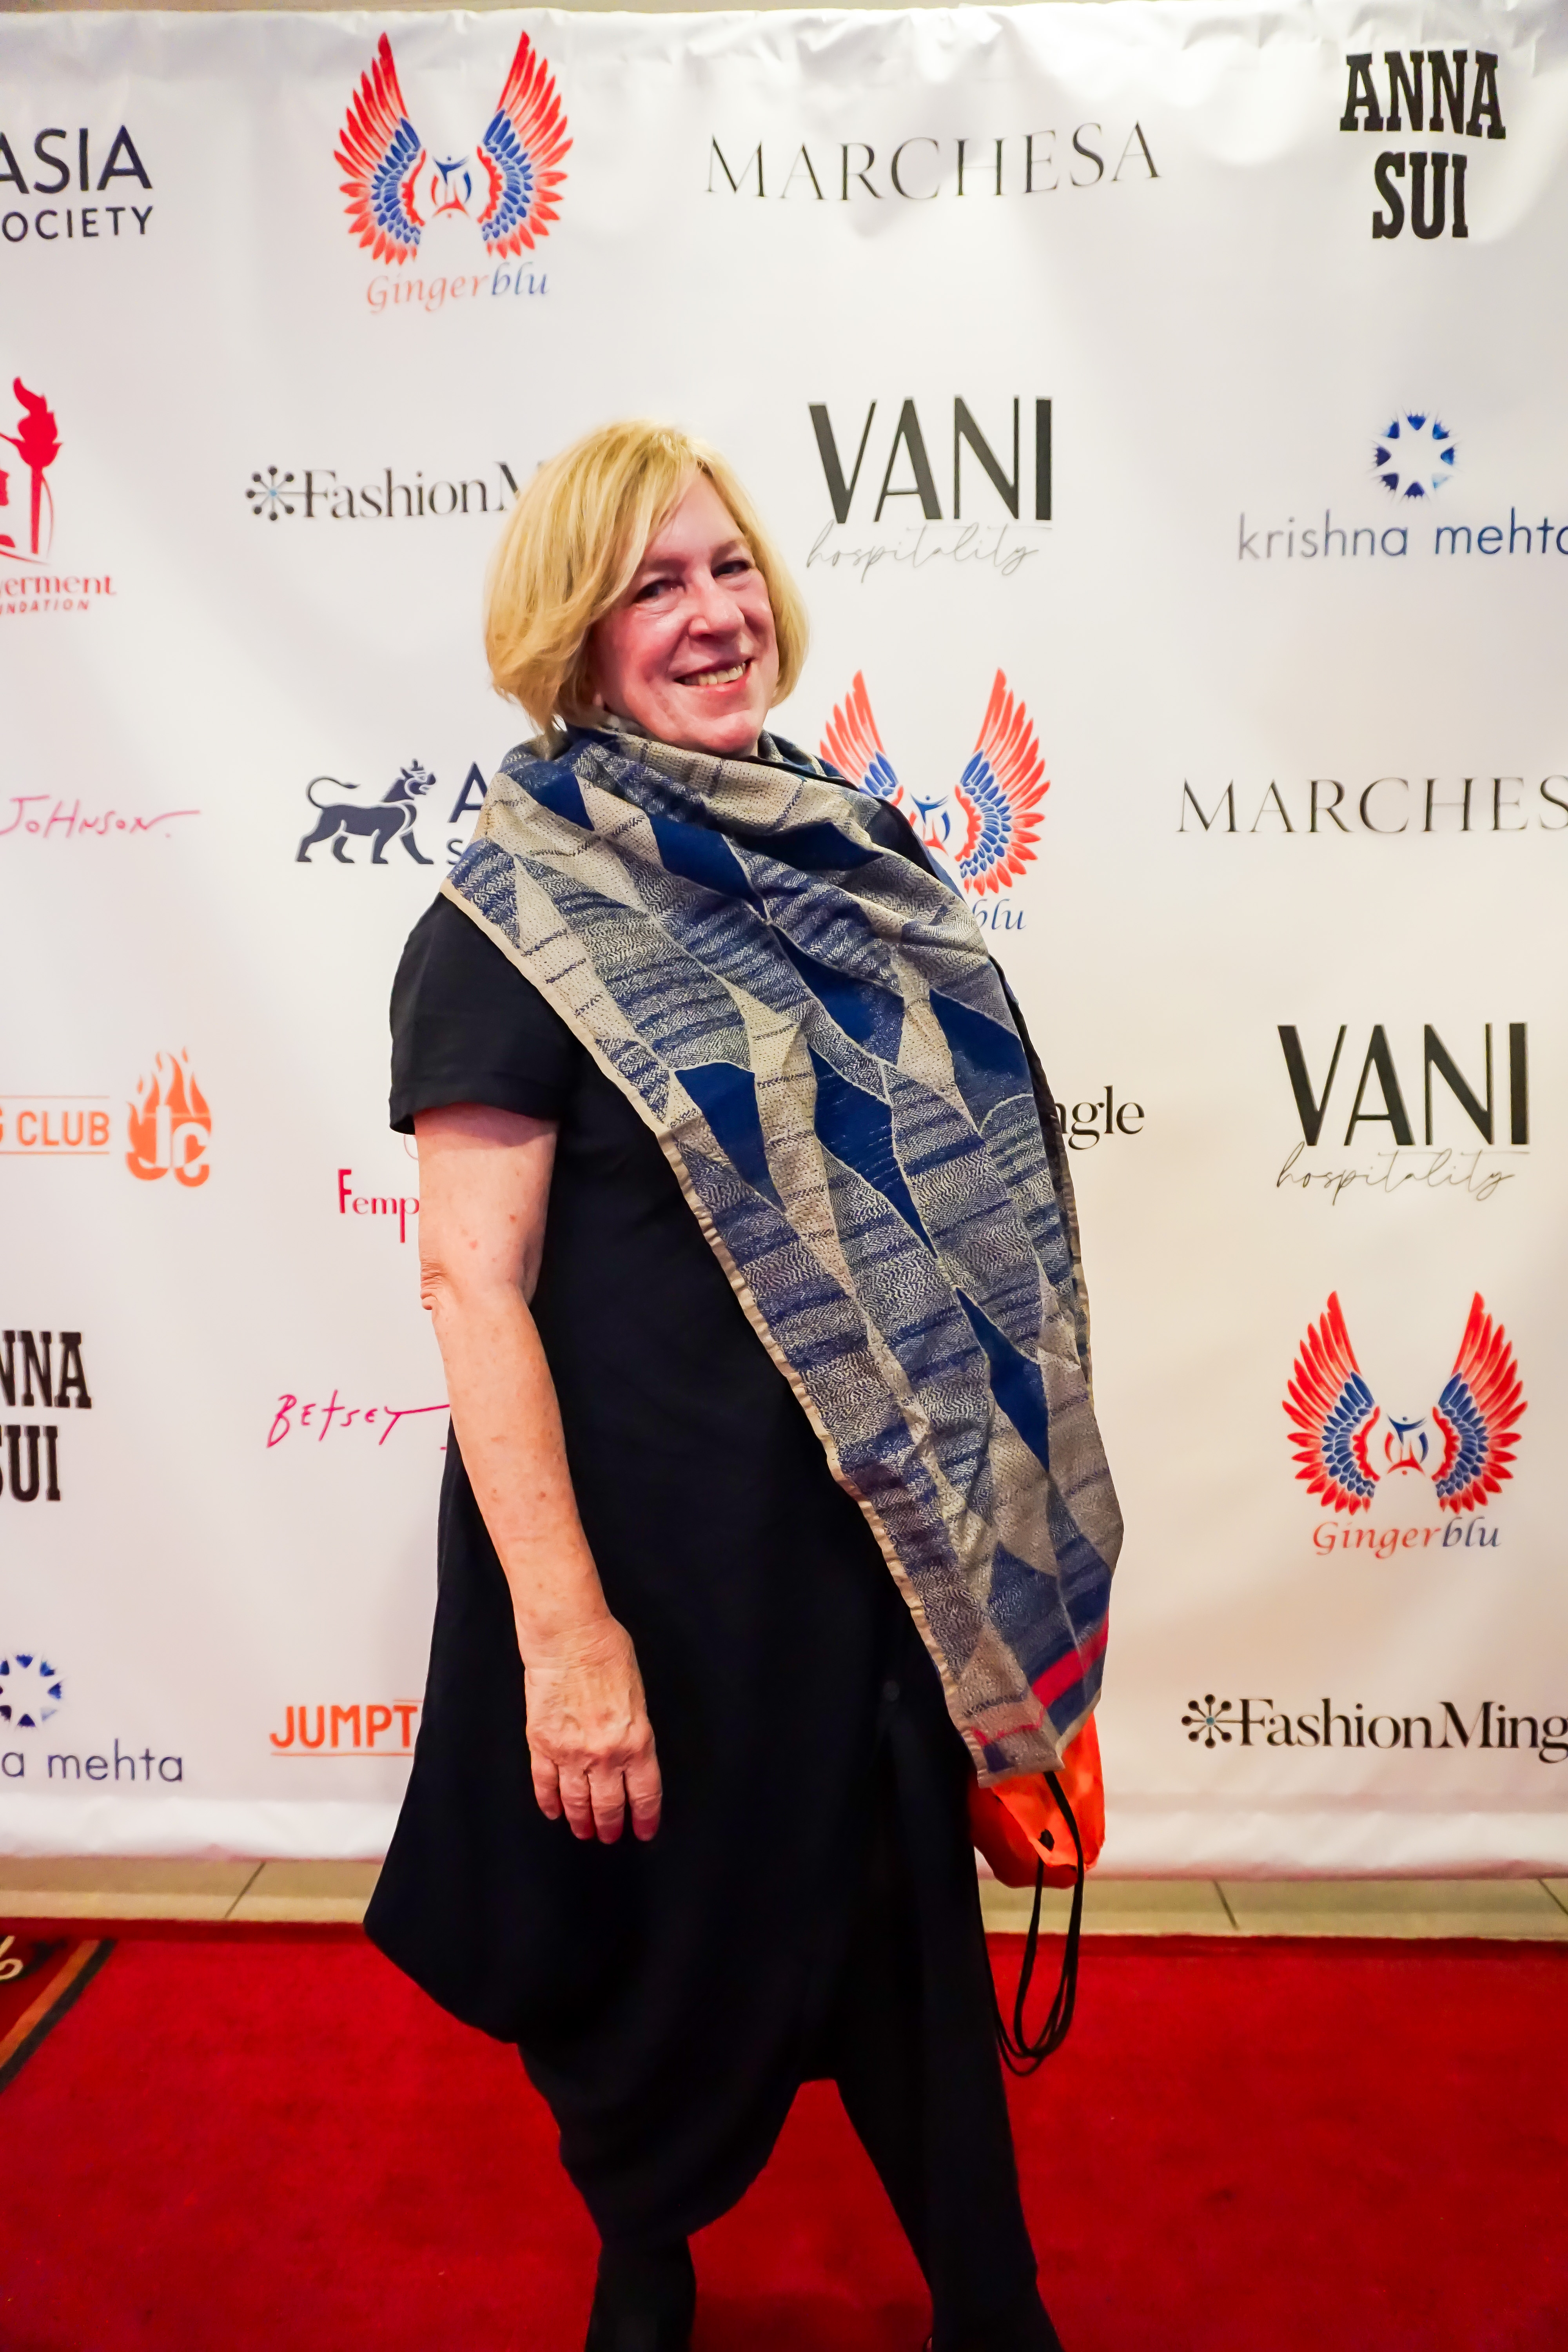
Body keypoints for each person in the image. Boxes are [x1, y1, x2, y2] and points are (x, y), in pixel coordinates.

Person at [365, 420, 1121, 2352]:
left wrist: (1001, 1579)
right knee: (647, 1968)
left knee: (906, 1960)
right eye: (650, 587)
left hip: (863, 1562)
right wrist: (568, 1635)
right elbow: (473, 1282)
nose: (710, 618)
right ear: (572, 640)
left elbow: (968, 1220)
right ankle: (645, 2255)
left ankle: (992, 2298)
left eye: (725, 569)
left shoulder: (850, 858)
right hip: (649, 1578)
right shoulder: (501, 921)